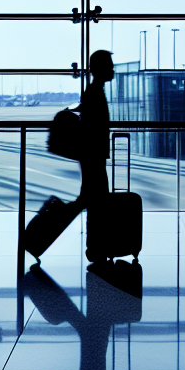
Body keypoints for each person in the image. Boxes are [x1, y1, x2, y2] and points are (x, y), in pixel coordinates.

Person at [72, 49, 114, 264]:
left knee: (92, 200)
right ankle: (95, 248)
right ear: (100, 69)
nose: (113, 69)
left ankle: (96, 247)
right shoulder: (94, 93)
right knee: (96, 201)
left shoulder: (94, 91)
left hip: (92, 155)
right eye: (110, 65)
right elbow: (92, 128)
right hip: (93, 156)